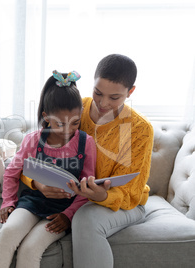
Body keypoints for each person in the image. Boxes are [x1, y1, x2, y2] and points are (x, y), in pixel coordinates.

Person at [26, 54, 154, 268]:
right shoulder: (74, 109)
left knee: (86, 219)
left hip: (126, 204)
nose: (103, 103)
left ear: (130, 92)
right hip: (75, 198)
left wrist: (102, 195)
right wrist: (37, 183)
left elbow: (131, 192)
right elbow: (31, 159)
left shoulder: (140, 130)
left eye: (114, 98)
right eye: (98, 93)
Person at [0, 71, 97, 268]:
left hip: (62, 211)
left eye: (75, 122)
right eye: (59, 123)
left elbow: (88, 187)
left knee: (30, 249)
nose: (67, 130)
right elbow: (12, 172)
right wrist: (8, 202)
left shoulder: (86, 143)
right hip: (32, 202)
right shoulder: (33, 140)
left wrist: (68, 215)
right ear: (46, 117)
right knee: (7, 234)